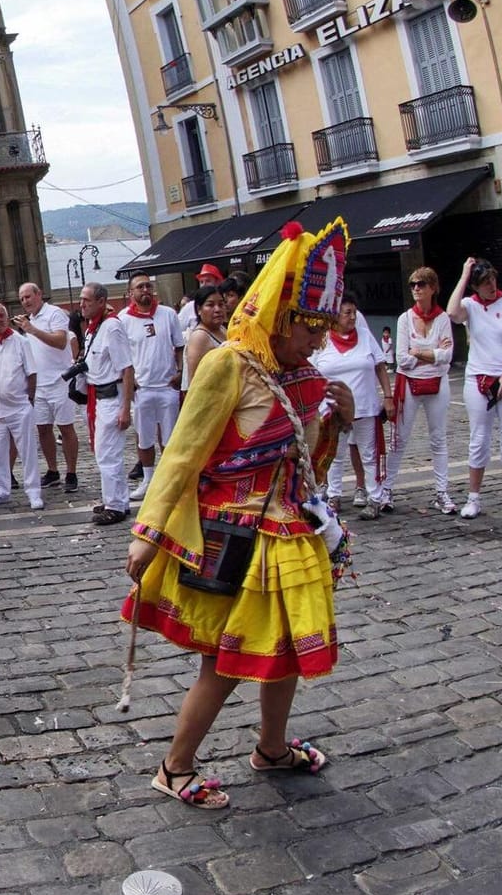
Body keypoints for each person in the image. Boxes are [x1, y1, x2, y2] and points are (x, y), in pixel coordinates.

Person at [125, 219, 355, 810]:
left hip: (288, 532)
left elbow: (308, 469)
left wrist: (334, 423)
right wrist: (147, 534)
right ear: (280, 317)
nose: (318, 342)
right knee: (222, 664)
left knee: (287, 651)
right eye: (310, 328)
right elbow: (184, 450)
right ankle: (174, 767)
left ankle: (271, 748)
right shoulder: (228, 365)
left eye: (324, 329)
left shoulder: (304, 379)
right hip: (229, 536)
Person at [448, 259, 502, 522]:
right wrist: (464, 273)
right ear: (476, 286)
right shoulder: (470, 305)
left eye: (492, 279)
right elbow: (451, 312)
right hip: (477, 377)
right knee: (478, 438)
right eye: (484, 282)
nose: (491, 285)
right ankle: (473, 497)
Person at [314, 298, 392, 520]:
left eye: (354, 312)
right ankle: (334, 496)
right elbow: (311, 370)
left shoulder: (366, 337)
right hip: (333, 409)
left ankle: (374, 498)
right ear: (335, 316)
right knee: (334, 455)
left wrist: (388, 397)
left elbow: (380, 367)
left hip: (365, 407)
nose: (352, 317)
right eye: (347, 313)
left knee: (369, 454)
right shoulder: (323, 339)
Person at [389, 267, 456, 516]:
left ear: (432, 288)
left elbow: (447, 357)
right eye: (413, 285)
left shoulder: (442, 319)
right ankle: (386, 489)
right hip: (409, 384)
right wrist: (431, 355)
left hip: (438, 384)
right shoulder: (405, 319)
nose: (416, 288)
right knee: (399, 438)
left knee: (438, 439)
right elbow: (402, 359)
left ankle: (442, 491)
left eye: (421, 284)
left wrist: (418, 352)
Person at [120, 273, 184, 497]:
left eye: (148, 286)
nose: (145, 290)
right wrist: (130, 381)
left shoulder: (168, 314)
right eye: (140, 287)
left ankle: (169, 480)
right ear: (131, 293)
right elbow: (121, 355)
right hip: (142, 389)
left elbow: (179, 346)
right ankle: (148, 480)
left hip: (167, 386)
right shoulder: (124, 319)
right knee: (144, 436)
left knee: (169, 438)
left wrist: (179, 371)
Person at [0, 302, 42, 510]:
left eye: (1, 315)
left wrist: (29, 399)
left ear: (7, 317)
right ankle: (1, 489)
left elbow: (31, 373)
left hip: (19, 407)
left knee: (27, 451)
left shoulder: (21, 342)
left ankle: (33, 492)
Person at [79, 283, 137, 526]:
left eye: (87, 300)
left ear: (101, 302)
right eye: (82, 300)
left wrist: (125, 407)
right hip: (98, 398)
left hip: (112, 397)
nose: (82, 304)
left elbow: (126, 368)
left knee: (108, 454)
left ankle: (115, 505)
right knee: (104, 451)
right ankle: (117, 499)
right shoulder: (93, 329)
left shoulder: (112, 328)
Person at [17, 282, 79, 493]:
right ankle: (53, 471)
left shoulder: (54, 314)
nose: (26, 301)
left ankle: (71, 472)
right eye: (22, 299)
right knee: (43, 428)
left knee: (65, 427)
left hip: (60, 381)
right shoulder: (29, 321)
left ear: (39, 294)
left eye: (28, 296)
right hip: (39, 385)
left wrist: (32, 330)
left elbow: (61, 342)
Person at [181, 284, 229, 387]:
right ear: (199, 309)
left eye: (221, 304)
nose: (217, 309)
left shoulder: (222, 329)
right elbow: (195, 382)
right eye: (210, 305)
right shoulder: (199, 337)